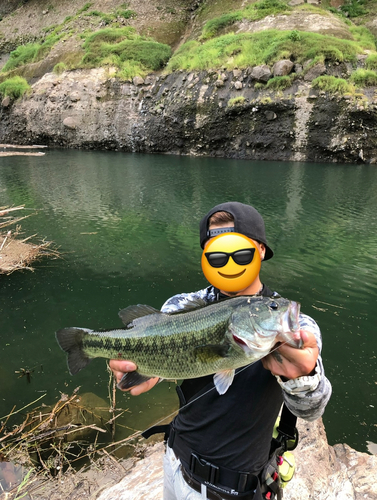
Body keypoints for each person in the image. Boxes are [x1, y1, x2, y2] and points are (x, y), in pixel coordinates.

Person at [110, 201, 332, 500]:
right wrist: (134, 371)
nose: (229, 260)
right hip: (174, 460)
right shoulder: (181, 306)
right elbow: (158, 363)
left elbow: (311, 410)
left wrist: (303, 378)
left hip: (231, 488)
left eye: (239, 251)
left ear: (261, 250)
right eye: (217, 253)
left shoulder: (291, 323)